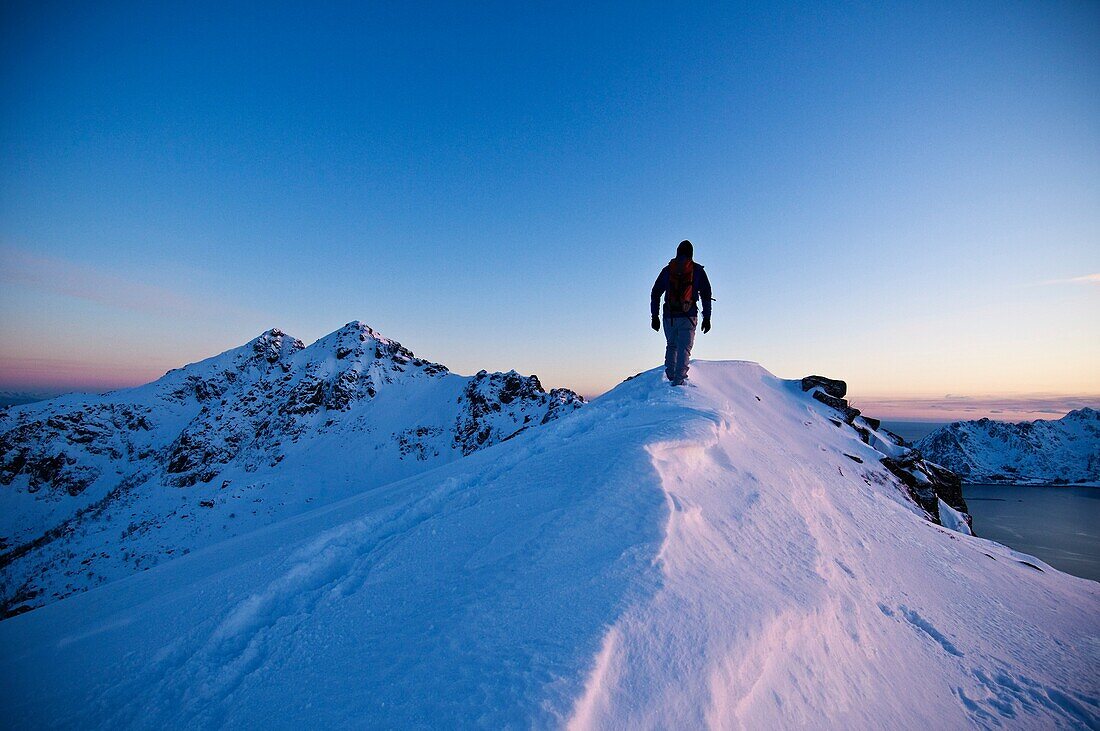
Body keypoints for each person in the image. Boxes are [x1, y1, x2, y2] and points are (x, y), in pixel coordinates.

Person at [650, 240, 712, 385]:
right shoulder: (697, 271)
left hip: (669, 316)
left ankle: (671, 376)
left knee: (671, 345)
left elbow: (655, 293)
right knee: (684, 349)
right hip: (688, 315)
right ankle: (679, 382)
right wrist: (707, 317)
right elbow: (706, 295)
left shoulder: (668, 270)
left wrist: (655, 316)